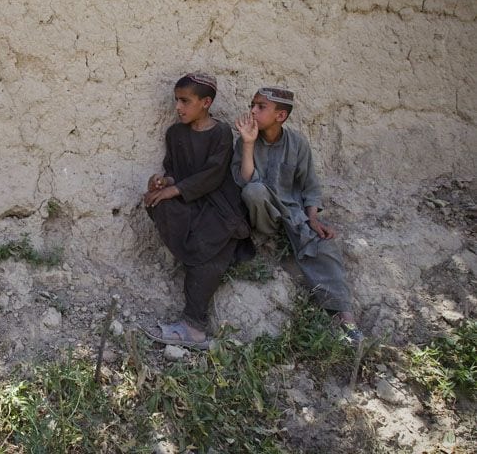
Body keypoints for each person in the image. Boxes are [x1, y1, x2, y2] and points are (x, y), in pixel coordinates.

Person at [233, 86, 363, 343]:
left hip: (293, 215)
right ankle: (268, 240)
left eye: (261, 107)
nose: (253, 111)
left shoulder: (298, 144)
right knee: (255, 191)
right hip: (263, 215)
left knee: (324, 247)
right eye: (252, 105)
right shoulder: (245, 140)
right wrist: (248, 143)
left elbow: (310, 187)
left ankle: (345, 319)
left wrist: (313, 218)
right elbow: (244, 181)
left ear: (280, 116)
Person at [144, 73, 253, 348]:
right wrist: (163, 183)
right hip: (191, 202)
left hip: (219, 205)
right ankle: (190, 251)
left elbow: (213, 175)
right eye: (176, 101)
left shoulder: (221, 133)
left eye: (185, 101)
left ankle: (194, 326)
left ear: (205, 102)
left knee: (210, 251)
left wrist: (174, 189)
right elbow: (174, 171)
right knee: (157, 201)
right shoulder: (175, 133)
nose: (178, 107)